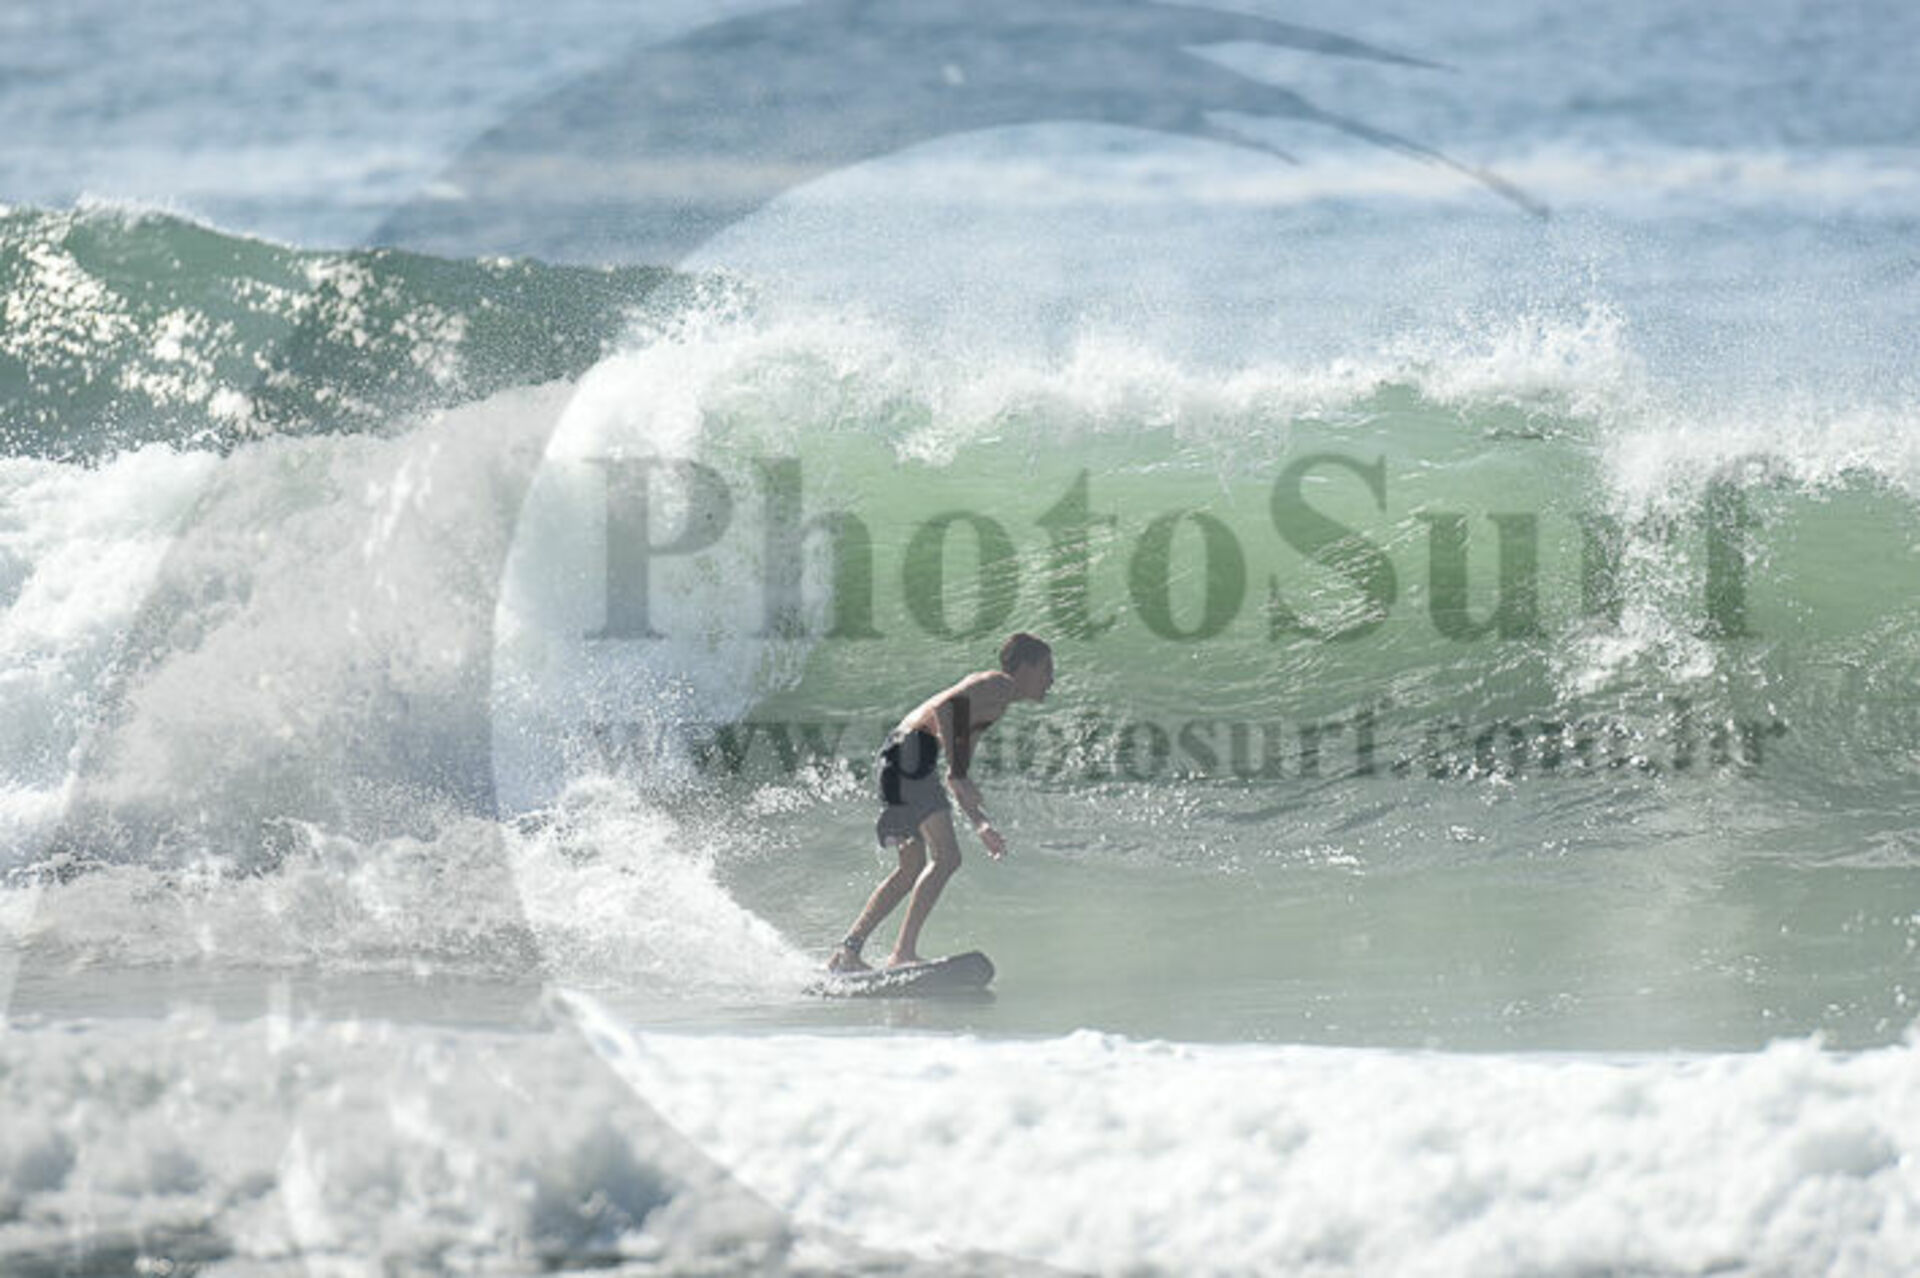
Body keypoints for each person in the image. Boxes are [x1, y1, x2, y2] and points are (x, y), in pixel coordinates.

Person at [826, 632, 1054, 972]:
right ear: (1025, 667)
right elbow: (946, 709)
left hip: (900, 757)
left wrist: (981, 824)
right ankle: (902, 952)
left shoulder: (995, 705)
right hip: (911, 755)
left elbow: (955, 775)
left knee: (911, 867)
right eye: (1047, 669)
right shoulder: (999, 684)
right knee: (946, 858)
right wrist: (958, 772)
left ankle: (848, 952)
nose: (1052, 679)